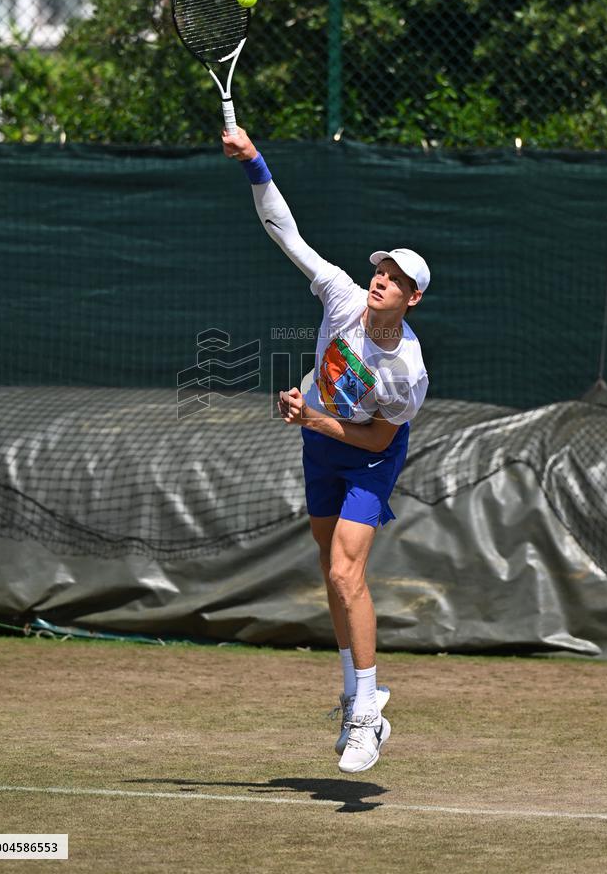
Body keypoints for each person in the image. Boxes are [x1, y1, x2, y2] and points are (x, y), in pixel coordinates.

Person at [222, 127, 430, 774]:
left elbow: (377, 438)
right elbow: (285, 231)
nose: (380, 281)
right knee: (332, 577)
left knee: (346, 574)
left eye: (394, 280)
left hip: (368, 457)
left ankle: (367, 716)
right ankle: (357, 692)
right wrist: (255, 161)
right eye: (380, 270)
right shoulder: (341, 293)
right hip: (320, 445)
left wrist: (312, 415)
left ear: (411, 299)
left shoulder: (408, 374)